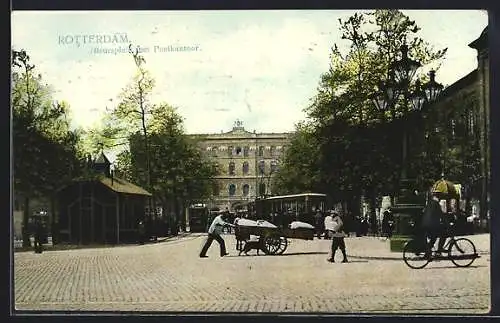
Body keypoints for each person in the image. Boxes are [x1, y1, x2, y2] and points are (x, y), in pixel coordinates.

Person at [421, 192, 446, 257]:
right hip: (431, 225)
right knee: (443, 234)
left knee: (433, 237)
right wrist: (447, 223)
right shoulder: (436, 204)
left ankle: (428, 251)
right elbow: (441, 215)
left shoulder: (429, 203)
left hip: (426, 224)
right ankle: (438, 251)